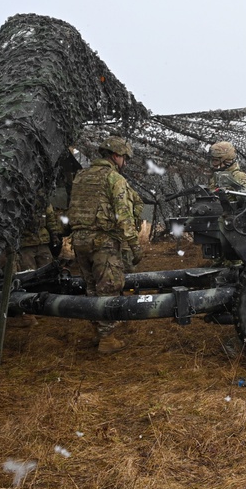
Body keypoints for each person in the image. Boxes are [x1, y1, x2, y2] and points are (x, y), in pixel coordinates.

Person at [67, 136, 143, 354]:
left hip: (80, 241)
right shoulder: (113, 179)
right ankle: (107, 339)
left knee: (91, 289)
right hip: (103, 243)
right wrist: (135, 246)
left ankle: (99, 333)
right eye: (124, 158)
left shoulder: (81, 176)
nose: (125, 163)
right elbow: (124, 215)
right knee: (109, 288)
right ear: (116, 155)